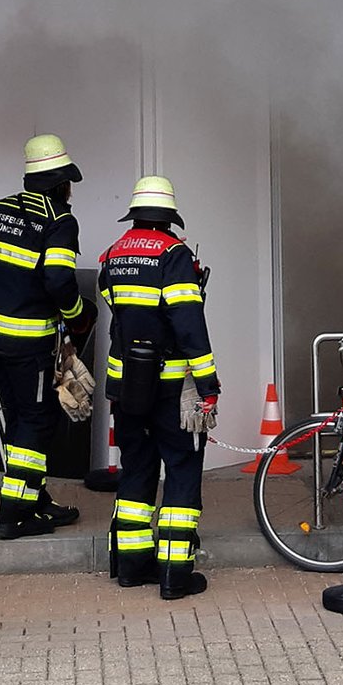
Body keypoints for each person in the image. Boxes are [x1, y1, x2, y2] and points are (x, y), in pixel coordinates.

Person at [0, 134, 95, 540]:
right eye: (69, 183)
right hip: (27, 343)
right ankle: (14, 514)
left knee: (17, 417)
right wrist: (79, 317)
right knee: (35, 423)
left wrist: (12, 282)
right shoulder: (59, 220)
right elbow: (59, 280)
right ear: (60, 182)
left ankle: (36, 500)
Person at [98, 177, 219, 599]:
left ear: (135, 215)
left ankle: (131, 566)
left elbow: (118, 310)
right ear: (169, 218)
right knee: (182, 471)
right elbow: (188, 322)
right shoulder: (174, 255)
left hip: (125, 384)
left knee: (137, 471)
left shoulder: (113, 254)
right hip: (170, 386)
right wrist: (208, 383)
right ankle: (174, 575)